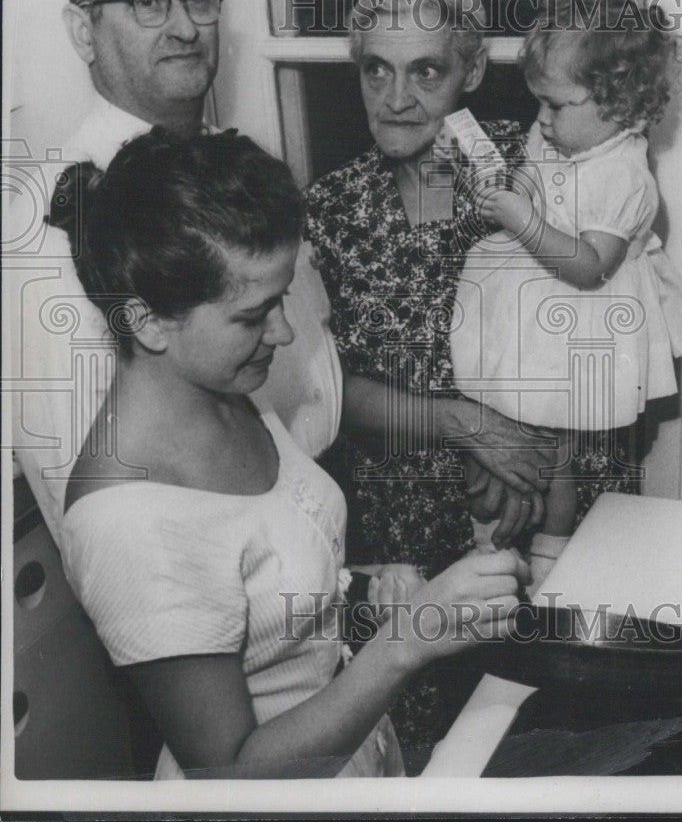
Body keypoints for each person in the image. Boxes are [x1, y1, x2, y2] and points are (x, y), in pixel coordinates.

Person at [49, 128, 530, 779]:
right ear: (147, 322)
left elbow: (267, 592)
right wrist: (404, 645)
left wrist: (372, 585)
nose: (284, 330)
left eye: (280, 298)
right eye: (254, 314)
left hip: (350, 748)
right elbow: (227, 776)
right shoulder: (126, 522)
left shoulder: (220, 387)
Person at [6, 0, 339, 554]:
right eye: (147, 1)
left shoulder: (228, 169)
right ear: (82, 30)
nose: (184, 25)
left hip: (313, 528)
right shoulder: (61, 220)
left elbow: (302, 366)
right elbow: (98, 507)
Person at [304, 0, 556, 750]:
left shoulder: (535, 171)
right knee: (410, 754)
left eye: (426, 70)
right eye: (376, 69)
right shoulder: (330, 209)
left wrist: (525, 457)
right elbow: (324, 390)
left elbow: (595, 335)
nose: (396, 97)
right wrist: (463, 423)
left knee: (525, 742)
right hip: (394, 544)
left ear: (473, 70)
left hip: (532, 513)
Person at [450, 0, 682, 588]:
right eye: (540, 104)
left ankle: (551, 553)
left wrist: (523, 221)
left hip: (584, 314)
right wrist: (512, 193)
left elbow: (588, 266)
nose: (542, 120)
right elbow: (535, 181)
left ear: (620, 104)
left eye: (556, 106)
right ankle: (494, 536)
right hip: (533, 304)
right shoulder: (557, 135)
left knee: (559, 441)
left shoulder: (624, 175)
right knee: (503, 415)